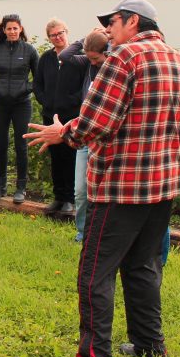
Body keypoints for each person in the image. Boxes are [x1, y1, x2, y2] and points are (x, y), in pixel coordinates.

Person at [25, 0, 180, 357]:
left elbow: (96, 123)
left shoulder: (124, 57)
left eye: (112, 22)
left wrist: (61, 131)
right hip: (162, 183)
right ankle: (150, 344)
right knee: (142, 266)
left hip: (120, 186)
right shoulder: (176, 58)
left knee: (94, 275)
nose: (107, 30)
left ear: (133, 21)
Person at [0, 14, 39, 204]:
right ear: (4, 30)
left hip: (22, 103)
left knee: (20, 144)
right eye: (9, 29)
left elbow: (38, 79)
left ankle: (21, 188)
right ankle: (0, 186)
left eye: (16, 28)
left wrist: (24, 89)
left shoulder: (30, 50)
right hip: (0, 103)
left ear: (20, 29)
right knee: (1, 144)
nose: (13, 31)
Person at [60, 29, 110, 242]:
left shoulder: (113, 68)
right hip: (84, 135)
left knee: (103, 192)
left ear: (106, 53)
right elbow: (64, 57)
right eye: (89, 58)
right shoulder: (87, 64)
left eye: (95, 58)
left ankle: (102, 234)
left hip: (103, 138)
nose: (93, 62)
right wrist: (84, 41)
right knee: (81, 190)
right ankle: (83, 233)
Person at [33, 18, 79, 215]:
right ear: (49, 38)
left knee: (70, 157)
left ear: (67, 32)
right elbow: (38, 84)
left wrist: (70, 101)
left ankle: (70, 199)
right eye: (53, 35)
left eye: (61, 33)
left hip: (71, 117)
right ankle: (58, 197)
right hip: (50, 116)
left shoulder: (79, 57)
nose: (58, 37)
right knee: (55, 158)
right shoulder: (46, 58)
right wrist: (46, 101)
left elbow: (84, 87)